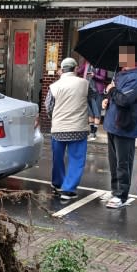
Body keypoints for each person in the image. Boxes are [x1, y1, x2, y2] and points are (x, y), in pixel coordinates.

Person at [101, 44, 137, 209]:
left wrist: (112, 91)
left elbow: (124, 100)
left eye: (125, 56)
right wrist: (107, 99)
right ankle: (115, 191)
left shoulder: (135, 78)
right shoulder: (122, 74)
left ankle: (121, 194)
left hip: (125, 126)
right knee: (114, 162)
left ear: (133, 60)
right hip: (113, 124)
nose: (122, 60)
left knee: (123, 162)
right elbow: (116, 97)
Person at [45, 57, 90, 201]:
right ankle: (68, 189)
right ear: (76, 69)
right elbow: (93, 98)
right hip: (78, 128)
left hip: (58, 128)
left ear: (62, 70)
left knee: (58, 158)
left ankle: (57, 183)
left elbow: (48, 107)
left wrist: (55, 117)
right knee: (76, 159)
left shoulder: (54, 86)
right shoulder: (85, 83)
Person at [76, 58, 108, 141]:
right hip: (88, 90)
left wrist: (94, 76)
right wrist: (73, 69)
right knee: (90, 112)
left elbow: (103, 77)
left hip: (98, 91)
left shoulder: (102, 65)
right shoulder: (86, 64)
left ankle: (94, 133)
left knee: (96, 112)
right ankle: (91, 131)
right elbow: (79, 71)